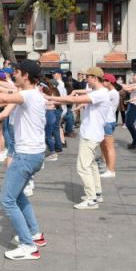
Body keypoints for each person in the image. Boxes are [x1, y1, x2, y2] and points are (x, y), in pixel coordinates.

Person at [0, 60, 47, 260]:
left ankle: (28, 245)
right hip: (33, 154)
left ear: (25, 75)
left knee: (7, 200)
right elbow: (6, 96)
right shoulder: (34, 95)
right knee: (18, 196)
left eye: (16, 72)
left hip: (25, 155)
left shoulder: (28, 95)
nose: (13, 75)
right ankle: (34, 234)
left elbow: (2, 95)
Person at [48, 67, 111, 210]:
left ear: (95, 78)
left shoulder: (100, 94)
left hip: (91, 135)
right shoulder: (98, 92)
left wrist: (51, 97)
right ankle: (97, 193)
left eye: (87, 77)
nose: (85, 79)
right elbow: (82, 94)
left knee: (83, 167)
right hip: (92, 133)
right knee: (92, 165)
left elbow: (73, 99)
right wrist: (76, 92)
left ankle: (91, 199)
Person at [99, 74, 120, 178]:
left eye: (104, 80)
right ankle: (107, 165)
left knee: (109, 147)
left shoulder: (112, 93)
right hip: (107, 120)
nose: (103, 82)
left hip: (108, 121)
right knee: (104, 146)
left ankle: (111, 170)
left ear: (110, 82)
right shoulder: (109, 92)